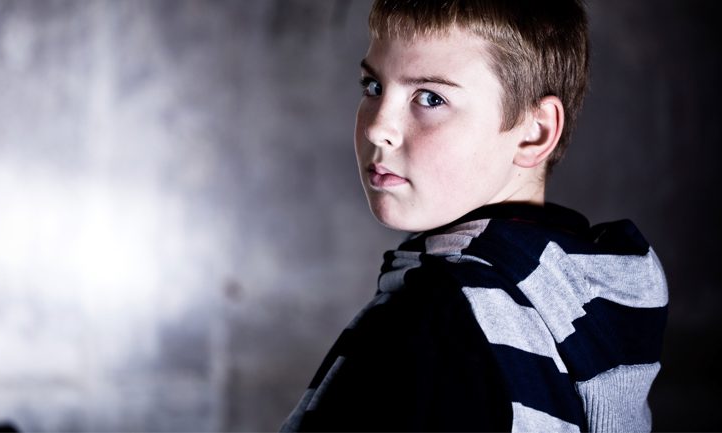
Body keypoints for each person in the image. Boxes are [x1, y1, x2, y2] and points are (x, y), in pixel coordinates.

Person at [281, 0, 668, 431]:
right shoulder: (580, 302)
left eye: (430, 97)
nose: (377, 127)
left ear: (534, 131)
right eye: (373, 87)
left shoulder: (433, 326)